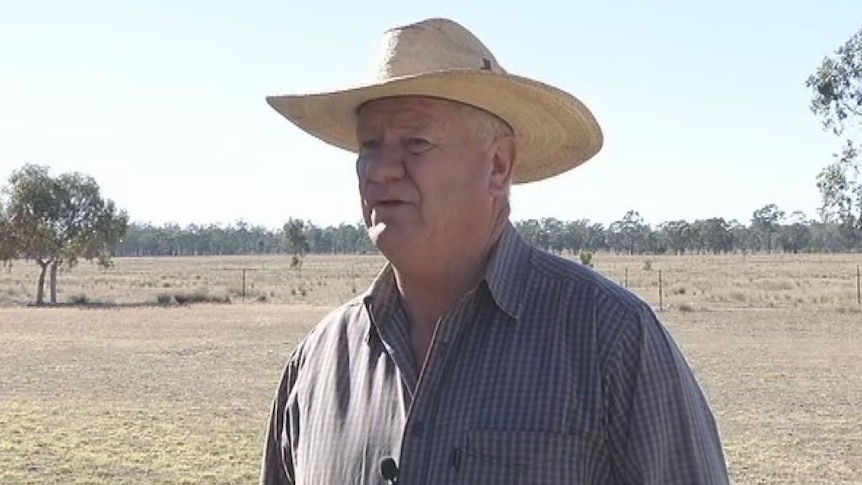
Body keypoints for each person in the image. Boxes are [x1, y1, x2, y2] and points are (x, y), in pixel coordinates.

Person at [259, 17, 729, 485]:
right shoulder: (318, 364)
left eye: (416, 142)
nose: (379, 170)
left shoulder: (609, 341)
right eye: (369, 145)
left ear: (498, 166)